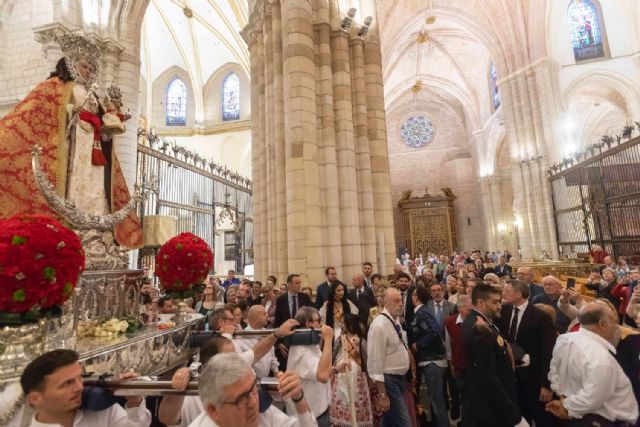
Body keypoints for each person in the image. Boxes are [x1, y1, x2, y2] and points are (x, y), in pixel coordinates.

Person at [0, 32, 142, 247]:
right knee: (76, 180)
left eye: (91, 68)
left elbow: (102, 122)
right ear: (72, 64)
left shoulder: (92, 93)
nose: (88, 71)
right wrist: (70, 110)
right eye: (85, 66)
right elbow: (47, 112)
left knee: (95, 185)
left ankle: (96, 223)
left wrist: (112, 122)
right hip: (75, 146)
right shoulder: (58, 87)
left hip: (93, 145)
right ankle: (73, 222)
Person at [546, 302, 638, 425]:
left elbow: (554, 370)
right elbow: (594, 397)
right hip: (597, 418)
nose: (616, 325)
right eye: (613, 320)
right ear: (603, 324)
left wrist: (562, 397)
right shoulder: (601, 358)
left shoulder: (564, 339)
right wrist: (567, 406)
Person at [17, 349, 150, 427]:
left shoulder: (100, 410)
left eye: (79, 378)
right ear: (35, 399)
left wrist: (134, 402)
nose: (79, 387)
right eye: (67, 383)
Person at [190, 352, 317, 427]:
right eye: (241, 399)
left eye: (254, 387)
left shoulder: (263, 415)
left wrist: (298, 398)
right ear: (213, 411)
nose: (253, 403)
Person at [463, 284, 528, 427]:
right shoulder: (479, 327)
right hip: (491, 407)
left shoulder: (483, 321)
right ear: (480, 302)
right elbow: (488, 377)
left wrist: (518, 356)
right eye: (494, 302)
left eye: (499, 301)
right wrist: (514, 416)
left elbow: (497, 348)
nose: (499, 306)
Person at [498, 280, 557, 426]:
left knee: (541, 419)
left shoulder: (540, 316)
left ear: (518, 294)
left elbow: (548, 353)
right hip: (511, 379)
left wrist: (546, 384)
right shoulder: (503, 312)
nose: (503, 294)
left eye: (506, 291)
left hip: (534, 381)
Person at [367, 287, 411, 427]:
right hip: (389, 381)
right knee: (404, 422)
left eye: (401, 300)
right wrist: (382, 395)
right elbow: (375, 362)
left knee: (390, 421)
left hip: (399, 379)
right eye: (396, 301)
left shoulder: (395, 321)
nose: (400, 304)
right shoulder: (379, 325)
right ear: (385, 303)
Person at [288, 307, 334, 427]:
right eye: (318, 320)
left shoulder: (311, 345)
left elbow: (323, 367)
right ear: (308, 324)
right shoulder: (301, 351)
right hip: (311, 416)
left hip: (320, 408)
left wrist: (335, 369)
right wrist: (328, 340)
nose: (321, 323)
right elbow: (323, 376)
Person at [411, 285, 449, 427]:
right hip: (430, 360)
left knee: (437, 400)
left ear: (416, 297)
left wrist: (418, 345)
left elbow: (434, 332)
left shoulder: (422, 313)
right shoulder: (422, 311)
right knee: (434, 399)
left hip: (433, 361)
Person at [329, 313, 374, 427]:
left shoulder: (361, 341)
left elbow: (366, 360)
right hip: (342, 372)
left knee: (356, 399)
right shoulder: (341, 339)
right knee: (343, 397)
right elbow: (334, 355)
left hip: (357, 374)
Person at [444, 295, 473, 426]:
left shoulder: (477, 321)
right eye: (469, 310)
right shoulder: (449, 322)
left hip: (476, 368)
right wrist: (451, 365)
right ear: (460, 308)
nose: (471, 313)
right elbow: (449, 346)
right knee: (466, 399)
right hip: (460, 367)